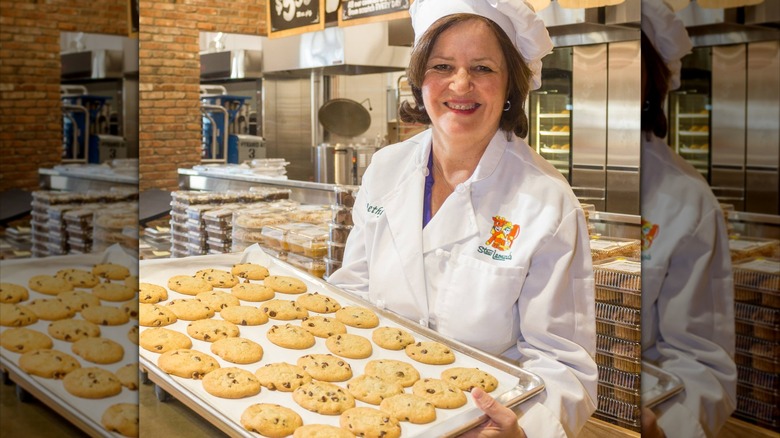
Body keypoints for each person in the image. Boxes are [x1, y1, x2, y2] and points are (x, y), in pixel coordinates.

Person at [327, 1, 597, 436]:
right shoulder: (385, 168)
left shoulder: (547, 201)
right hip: (371, 410)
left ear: (511, 84)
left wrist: (524, 428)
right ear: (419, 79)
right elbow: (353, 291)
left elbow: (564, 364)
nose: (460, 84)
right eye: (441, 66)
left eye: (483, 68)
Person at [640, 1, 737, 437]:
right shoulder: (538, 180)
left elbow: (703, 364)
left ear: (651, 80)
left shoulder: (685, 201)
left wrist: (666, 428)